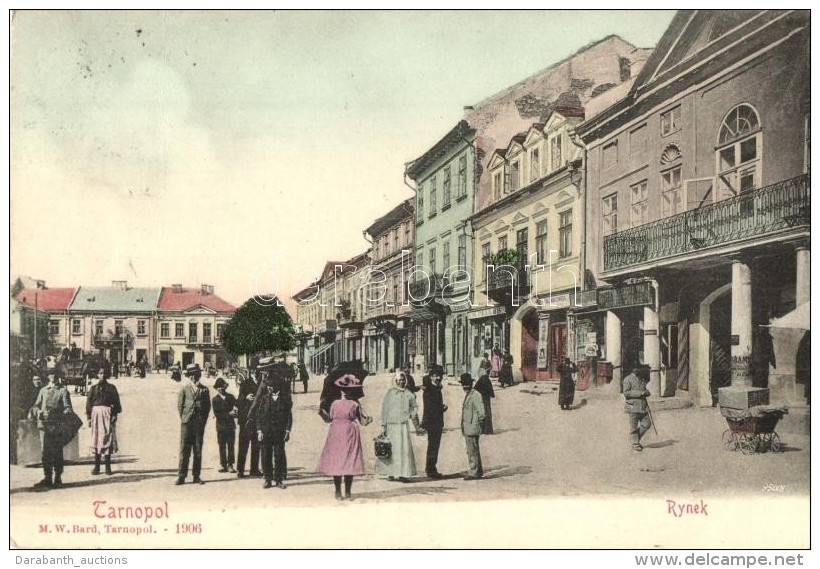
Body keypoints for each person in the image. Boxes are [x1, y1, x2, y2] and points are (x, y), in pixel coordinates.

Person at [318, 374, 372, 500]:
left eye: (348, 389)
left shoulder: (355, 404)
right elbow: (329, 419)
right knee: (338, 461)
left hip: (349, 433)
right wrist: (321, 412)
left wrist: (368, 420)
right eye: (343, 389)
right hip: (337, 433)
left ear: (351, 390)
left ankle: (347, 491)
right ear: (340, 390)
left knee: (349, 461)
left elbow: (362, 421)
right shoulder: (335, 404)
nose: (345, 391)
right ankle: (338, 491)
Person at [31, 369, 73, 488]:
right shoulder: (43, 390)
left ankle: (58, 477)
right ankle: (47, 477)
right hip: (44, 426)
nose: (52, 376)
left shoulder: (63, 391)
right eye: (50, 374)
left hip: (57, 426)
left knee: (57, 452)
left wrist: (62, 413)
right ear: (48, 376)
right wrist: (39, 412)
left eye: (54, 374)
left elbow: (68, 408)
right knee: (45, 452)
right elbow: (35, 406)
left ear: (57, 376)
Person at [376, 372, 421, 482]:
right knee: (391, 449)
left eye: (403, 380)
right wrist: (383, 424)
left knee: (403, 450)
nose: (401, 382)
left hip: (402, 426)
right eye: (399, 380)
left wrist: (411, 414)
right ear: (395, 381)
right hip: (391, 425)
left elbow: (414, 406)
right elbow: (385, 409)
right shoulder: (390, 393)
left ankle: (403, 474)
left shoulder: (408, 394)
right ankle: (390, 472)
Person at [255, 362, 293, 489]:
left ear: (276, 386)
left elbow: (289, 416)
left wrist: (287, 431)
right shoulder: (264, 399)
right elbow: (259, 415)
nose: (269, 388)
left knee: (279, 455)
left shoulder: (284, 399)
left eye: (271, 386)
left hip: (279, 432)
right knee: (265, 455)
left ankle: (279, 480)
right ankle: (267, 479)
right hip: (266, 431)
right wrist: (259, 430)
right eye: (268, 386)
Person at [176, 364, 211, 485]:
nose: (195, 377)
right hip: (186, 423)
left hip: (198, 424)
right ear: (189, 376)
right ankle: (181, 476)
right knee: (184, 450)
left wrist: (202, 421)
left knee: (198, 450)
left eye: (197, 375)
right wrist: (185, 418)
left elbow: (207, 408)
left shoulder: (205, 390)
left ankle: (196, 476)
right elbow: (180, 406)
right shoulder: (184, 389)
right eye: (192, 375)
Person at [86, 366, 122, 475]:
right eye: (100, 373)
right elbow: (88, 404)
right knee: (96, 439)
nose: (102, 375)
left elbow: (117, 403)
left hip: (107, 415)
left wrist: (114, 414)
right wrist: (88, 417)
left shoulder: (112, 388)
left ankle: (108, 467)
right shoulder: (93, 388)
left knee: (107, 439)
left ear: (107, 375)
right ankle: (97, 467)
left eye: (104, 373)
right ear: (97, 375)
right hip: (95, 415)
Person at [421, 365, 447, 478]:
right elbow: (430, 407)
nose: (438, 378)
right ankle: (431, 470)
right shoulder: (429, 389)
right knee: (433, 446)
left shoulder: (436, 388)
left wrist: (441, 406)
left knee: (434, 446)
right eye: (435, 376)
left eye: (440, 376)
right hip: (432, 422)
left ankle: (431, 468)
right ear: (431, 377)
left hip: (437, 422)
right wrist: (442, 408)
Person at [236, 368, 262, 478]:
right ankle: (240, 470)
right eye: (253, 372)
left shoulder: (262, 383)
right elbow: (238, 400)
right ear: (250, 373)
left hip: (257, 419)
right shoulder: (245, 384)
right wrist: (245, 397)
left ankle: (254, 469)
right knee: (243, 445)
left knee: (256, 445)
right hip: (246, 419)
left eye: (257, 372)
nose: (256, 373)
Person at [460, 373, 485, 480]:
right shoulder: (469, 394)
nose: (465, 387)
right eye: (463, 385)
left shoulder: (475, 395)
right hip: (468, 426)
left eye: (467, 384)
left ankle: (474, 471)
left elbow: (482, 413)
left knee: (472, 451)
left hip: (472, 427)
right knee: (473, 450)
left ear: (471, 384)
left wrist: (479, 424)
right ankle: (477, 471)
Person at [623, 365, 652, 452]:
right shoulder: (627, 379)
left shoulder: (642, 379)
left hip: (643, 406)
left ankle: (634, 439)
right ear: (632, 369)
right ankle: (635, 443)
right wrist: (641, 393)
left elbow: (644, 389)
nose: (637, 370)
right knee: (634, 426)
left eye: (638, 368)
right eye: (635, 368)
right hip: (633, 406)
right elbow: (626, 393)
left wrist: (647, 392)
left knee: (647, 424)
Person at [211, 377, 238, 473]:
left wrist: (236, 413)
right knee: (221, 446)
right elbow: (217, 414)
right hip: (221, 426)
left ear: (224, 387)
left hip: (230, 426)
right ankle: (223, 465)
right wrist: (229, 414)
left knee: (231, 445)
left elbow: (238, 404)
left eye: (222, 387)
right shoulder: (215, 400)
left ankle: (230, 464)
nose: (220, 389)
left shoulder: (230, 397)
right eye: (218, 388)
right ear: (216, 388)